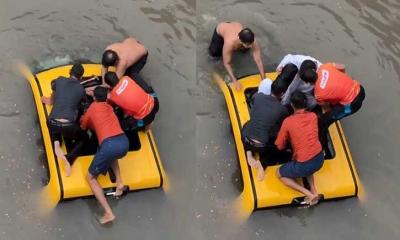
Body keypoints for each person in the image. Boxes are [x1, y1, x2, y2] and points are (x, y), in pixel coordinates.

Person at [80, 86, 129, 224]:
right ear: (106, 97)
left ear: (94, 98)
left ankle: (108, 213)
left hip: (109, 145)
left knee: (90, 178)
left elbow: (83, 126)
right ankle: (119, 183)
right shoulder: (109, 107)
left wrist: (85, 118)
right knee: (112, 155)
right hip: (123, 142)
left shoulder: (92, 108)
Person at [300, 61, 365, 152]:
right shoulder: (325, 67)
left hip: (352, 104)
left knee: (322, 123)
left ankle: (323, 149)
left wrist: (329, 115)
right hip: (359, 88)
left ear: (308, 82)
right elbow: (342, 66)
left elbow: (327, 108)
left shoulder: (318, 94)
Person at [275, 91, 324, 206]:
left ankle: (309, 194)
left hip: (304, 163)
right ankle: (314, 190)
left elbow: (279, 145)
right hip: (320, 158)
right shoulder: (313, 116)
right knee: (309, 163)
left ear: (292, 105)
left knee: (279, 174)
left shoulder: (288, 121)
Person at [41, 63, 88, 177]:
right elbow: (83, 105)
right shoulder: (81, 89)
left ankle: (58, 150)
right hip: (69, 126)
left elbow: (54, 92)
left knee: (56, 140)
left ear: (69, 72)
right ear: (81, 77)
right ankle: (70, 158)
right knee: (85, 138)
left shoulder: (59, 80)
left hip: (51, 122)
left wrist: (49, 101)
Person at [241, 81, 289, 181]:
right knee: (277, 143)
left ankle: (249, 153)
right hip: (262, 146)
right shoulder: (282, 109)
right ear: (282, 94)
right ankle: (262, 164)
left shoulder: (258, 97)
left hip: (246, 138)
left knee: (247, 124)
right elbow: (281, 127)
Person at [208, 22, 265, 91]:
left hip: (236, 27)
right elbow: (227, 63)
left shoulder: (252, 41)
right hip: (221, 30)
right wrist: (234, 81)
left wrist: (263, 79)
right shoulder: (229, 43)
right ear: (240, 40)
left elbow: (258, 60)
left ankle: (241, 48)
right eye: (248, 44)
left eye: (251, 44)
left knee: (244, 50)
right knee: (214, 55)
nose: (251, 46)